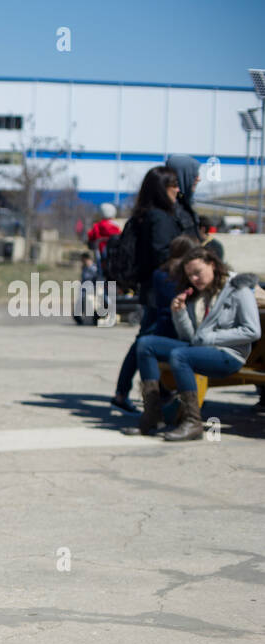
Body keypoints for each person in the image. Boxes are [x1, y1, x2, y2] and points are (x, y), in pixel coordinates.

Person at [127, 248, 261, 440]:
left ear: (212, 265)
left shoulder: (238, 288)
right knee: (145, 344)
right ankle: (152, 414)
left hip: (229, 355)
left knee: (179, 356)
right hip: (202, 350)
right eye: (190, 275)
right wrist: (179, 313)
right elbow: (191, 338)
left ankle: (192, 421)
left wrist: (212, 338)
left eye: (198, 272)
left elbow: (252, 330)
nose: (194, 279)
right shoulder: (200, 294)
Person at [110, 166, 183, 411]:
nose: (177, 189)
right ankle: (152, 395)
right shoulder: (159, 218)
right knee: (147, 341)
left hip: (152, 287)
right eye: (173, 185)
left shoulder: (147, 214)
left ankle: (127, 392)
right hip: (159, 289)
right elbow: (162, 253)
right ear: (162, 188)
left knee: (145, 340)